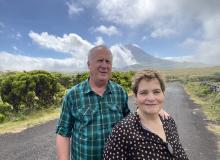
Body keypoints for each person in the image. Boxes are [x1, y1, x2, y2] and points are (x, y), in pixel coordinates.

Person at [56, 45, 169, 160]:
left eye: (108, 62)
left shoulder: (119, 91)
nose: (104, 65)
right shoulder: (73, 95)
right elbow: (63, 133)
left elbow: (131, 120)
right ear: (89, 64)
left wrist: (153, 109)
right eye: (100, 60)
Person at [103, 69, 189, 160]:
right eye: (144, 93)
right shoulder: (122, 132)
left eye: (156, 92)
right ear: (135, 97)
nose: (151, 98)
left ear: (163, 94)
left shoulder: (169, 121)